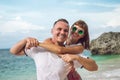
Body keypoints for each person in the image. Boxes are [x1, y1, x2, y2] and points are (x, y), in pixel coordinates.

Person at [10, 19, 98, 80]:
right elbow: (14, 51)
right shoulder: (40, 48)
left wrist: (77, 58)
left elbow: (94, 67)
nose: (62, 32)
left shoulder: (75, 50)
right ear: (52, 31)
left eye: (80, 31)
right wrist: (26, 39)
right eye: (59, 29)